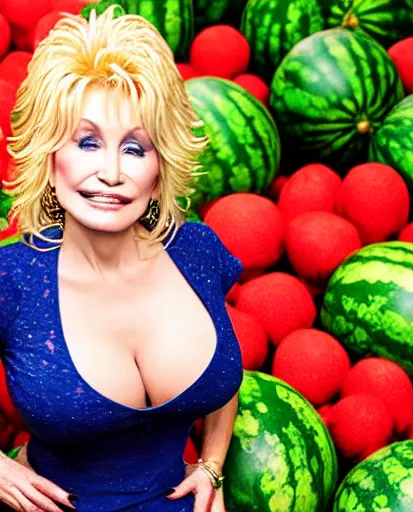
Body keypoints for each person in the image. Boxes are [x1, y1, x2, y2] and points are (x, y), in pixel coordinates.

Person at [0, 5, 244, 511]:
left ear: (161, 165)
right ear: (49, 155)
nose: (111, 171)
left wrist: (213, 467)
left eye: (136, 148)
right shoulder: (13, 279)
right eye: (87, 142)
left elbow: (223, 374)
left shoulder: (197, 250)